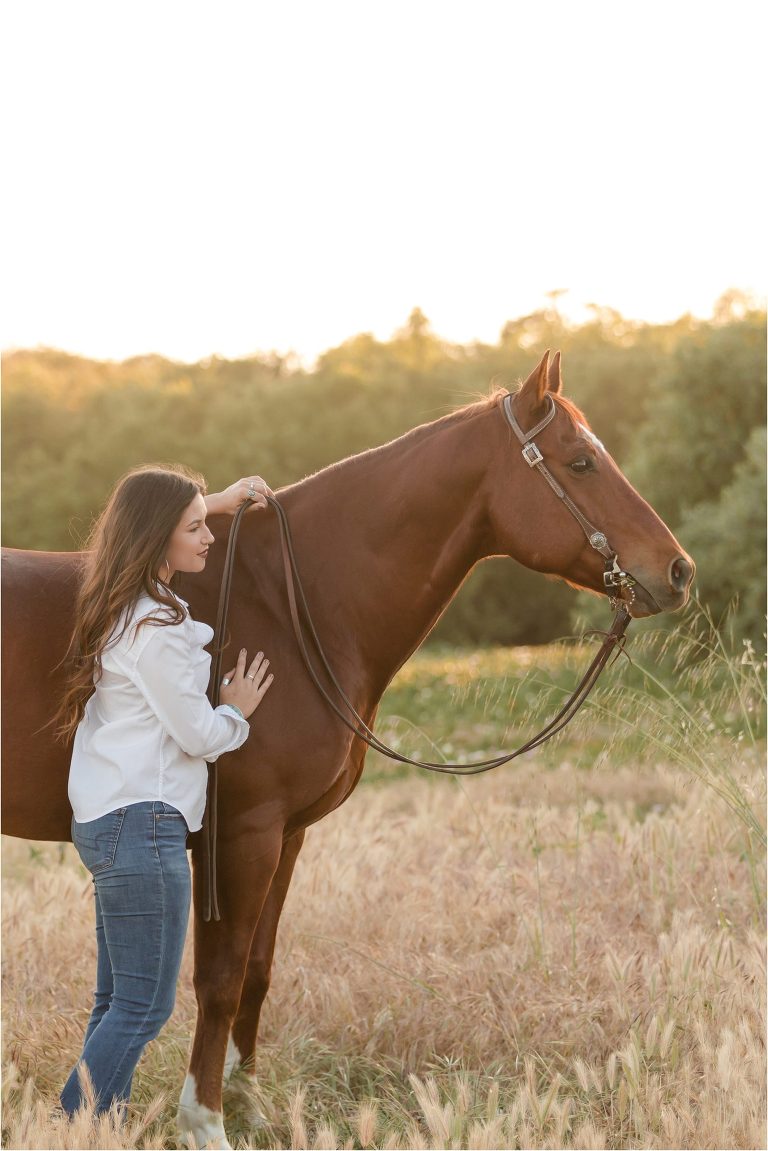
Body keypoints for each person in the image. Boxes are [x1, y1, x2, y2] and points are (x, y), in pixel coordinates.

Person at [51, 463, 274, 1118]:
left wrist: (223, 499)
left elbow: (160, 504)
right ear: (159, 539)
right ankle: (68, 1125)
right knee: (145, 1006)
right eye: (196, 528)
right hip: (143, 825)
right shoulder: (158, 632)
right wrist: (237, 709)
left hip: (110, 817)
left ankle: (101, 1122)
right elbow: (201, 735)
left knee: (116, 998)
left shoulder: (124, 603)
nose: (209, 537)